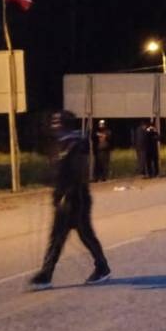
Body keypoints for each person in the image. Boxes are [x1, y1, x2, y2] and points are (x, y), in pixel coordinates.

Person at [29, 111, 111, 291]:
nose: (54, 125)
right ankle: (100, 266)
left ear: (65, 124)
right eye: (54, 122)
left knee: (65, 235)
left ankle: (46, 274)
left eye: (58, 122)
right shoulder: (61, 143)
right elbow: (56, 170)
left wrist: (66, 193)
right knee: (72, 235)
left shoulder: (74, 144)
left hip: (74, 197)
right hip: (65, 196)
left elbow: (74, 173)